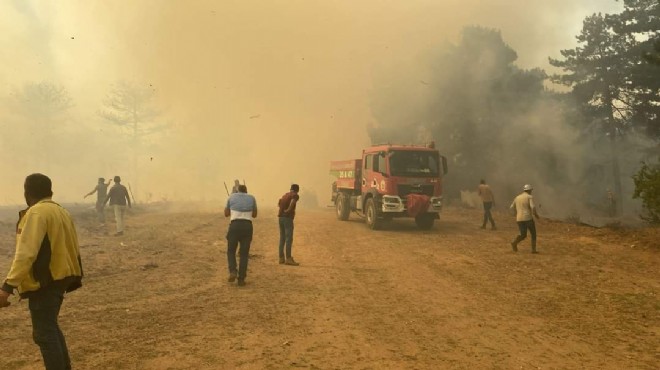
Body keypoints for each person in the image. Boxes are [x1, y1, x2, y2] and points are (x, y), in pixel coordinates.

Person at [0, 173, 83, 370]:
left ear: (27, 192)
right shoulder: (61, 211)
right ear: (49, 190)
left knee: (44, 334)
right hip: (61, 277)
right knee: (50, 327)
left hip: (46, 281)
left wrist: (7, 287)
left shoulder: (36, 213)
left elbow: (26, 254)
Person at [224, 184, 257, 286]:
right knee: (244, 254)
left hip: (234, 226)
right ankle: (241, 279)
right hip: (247, 227)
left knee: (231, 251)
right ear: (246, 191)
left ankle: (233, 271)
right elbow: (254, 215)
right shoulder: (252, 198)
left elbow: (226, 214)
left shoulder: (231, 197)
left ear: (237, 190)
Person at [510, 184, 540, 253]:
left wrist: (515, 213)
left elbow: (512, 207)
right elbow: (533, 207)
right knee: (533, 233)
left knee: (523, 234)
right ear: (529, 190)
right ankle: (533, 250)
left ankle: (514, 242)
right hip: (528, 218)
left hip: (519, 219)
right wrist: (536, 215)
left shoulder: (517, 197)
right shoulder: (529, 197)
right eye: (531, 190)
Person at [278, 184, 300, 266]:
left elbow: (279, 203)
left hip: (280, 218)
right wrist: (288, 210)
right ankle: (288, 258)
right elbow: (293, 201)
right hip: (287, 218)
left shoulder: (285, 195)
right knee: (288, 239)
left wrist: (283, 210)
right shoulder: (295, 195)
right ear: (297, 190)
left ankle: (281, 258)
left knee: (282, 238)